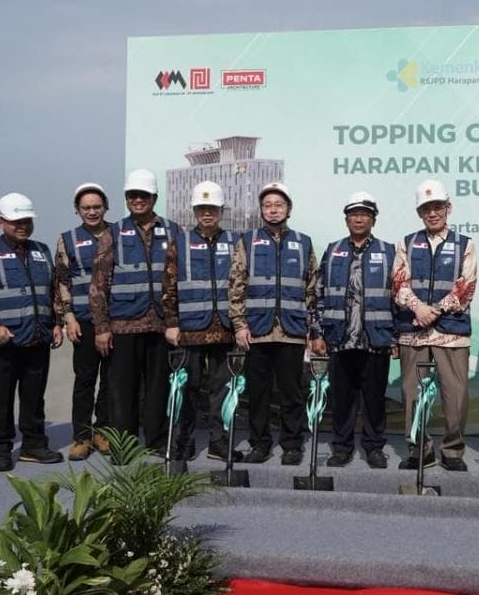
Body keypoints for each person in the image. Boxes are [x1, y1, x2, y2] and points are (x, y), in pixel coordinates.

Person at [0, 193, 64, 471]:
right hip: (3, 341)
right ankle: (1, 448)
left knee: (34, 396)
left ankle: (34, 445)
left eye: (26, 220)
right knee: (1, 397)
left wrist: (57, 322)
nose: (22, 225)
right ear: (0, 222)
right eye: (15, 221)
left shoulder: (42, 251)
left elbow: (54, 290)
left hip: (38, 337)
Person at [89, 168, 180, 452]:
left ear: (154, 197)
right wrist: (102, 328)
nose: (137, 200)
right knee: (122, 392)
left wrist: (175, 322)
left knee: (157, 390)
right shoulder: (112, 233)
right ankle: (123, 447)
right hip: (123, 327)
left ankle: (155, 443)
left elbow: (178, 281)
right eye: (132, 195)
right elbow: (98, 285)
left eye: (143, 195)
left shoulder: (174, 230)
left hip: (160, 327)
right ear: (127, 198)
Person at [229, 181, 317, 466]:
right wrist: (240, 325)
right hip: (257, 331)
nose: (273, 210)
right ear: (261, 210)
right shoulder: (247, 241)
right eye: (267, 205)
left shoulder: (304, 243)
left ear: (289, 209)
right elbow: (236, 285)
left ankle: (292, 444)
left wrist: (311, 328)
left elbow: (312, 289)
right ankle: (260, 444)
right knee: (258, 394)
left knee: (292, 393)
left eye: (279, 205)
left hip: (291, 331)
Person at [392, 179, 476, 472]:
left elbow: (465, 288)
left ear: (448, 208)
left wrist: (435, 311)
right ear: (419, 212)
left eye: (437, 207)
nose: (432, 213)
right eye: (426, 208)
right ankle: (419, 452)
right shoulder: (406, 243)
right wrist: (418, 308)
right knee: (412, 394)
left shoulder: (465, 244)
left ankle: (452, 452)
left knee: (455, 396)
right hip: (413, 333)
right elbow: (398, 283)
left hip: (450, 333)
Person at [312, 192, 396, 469]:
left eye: (365, 214)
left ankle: (374, 447)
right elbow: (318, 293)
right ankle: (341, 447)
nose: (359, 219)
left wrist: (395, 336)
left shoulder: (388, 251)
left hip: (376, 338)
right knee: (342, 399)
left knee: (374, 399)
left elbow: (397, 296)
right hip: (340, 338)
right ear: (346, 219)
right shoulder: (333, 250)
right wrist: (317, 332)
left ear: (373, 219)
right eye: (353, 214)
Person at [173, 181, 239, 461]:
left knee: (222, 390)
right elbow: (168, 285)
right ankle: (183, 441)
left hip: (224, 329)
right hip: (190, 329)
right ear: (194, 211)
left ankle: (218, 441)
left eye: (212, 208)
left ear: (221, 210)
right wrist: (171, 323)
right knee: (187, 387)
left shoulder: (236, 242)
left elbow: (242, 284)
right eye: (201, 208)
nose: (207, 213)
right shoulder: (180, 243)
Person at [53, 182, 112, 460]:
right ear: (77, 210)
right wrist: (68, 317)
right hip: (83, 321)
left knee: (111, 381)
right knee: (85, 380)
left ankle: (103, 432)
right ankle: (81, 436)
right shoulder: (67, 239)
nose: (92, 212)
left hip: (115, 320)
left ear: (105, 207)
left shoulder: (118, 234)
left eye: (96, 207)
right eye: (86, 208)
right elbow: (62, 280)